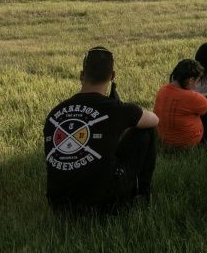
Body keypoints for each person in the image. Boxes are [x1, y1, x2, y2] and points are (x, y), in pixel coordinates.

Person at [43, 47, 158, 214]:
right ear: (112, 76)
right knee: (146, 131)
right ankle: (141, 194)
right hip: (101, 205)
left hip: (58, 204)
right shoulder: (118, 109)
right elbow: (154, 120)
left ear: (82, 75)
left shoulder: (55, 113)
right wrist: (124, 117)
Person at [154, 59, 207, 149]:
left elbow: (195, 98)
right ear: (191, 80)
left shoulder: (163, 90)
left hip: (166, 140)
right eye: (197, 81)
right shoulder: (189, 96)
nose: (196, 85)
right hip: (189, 142)